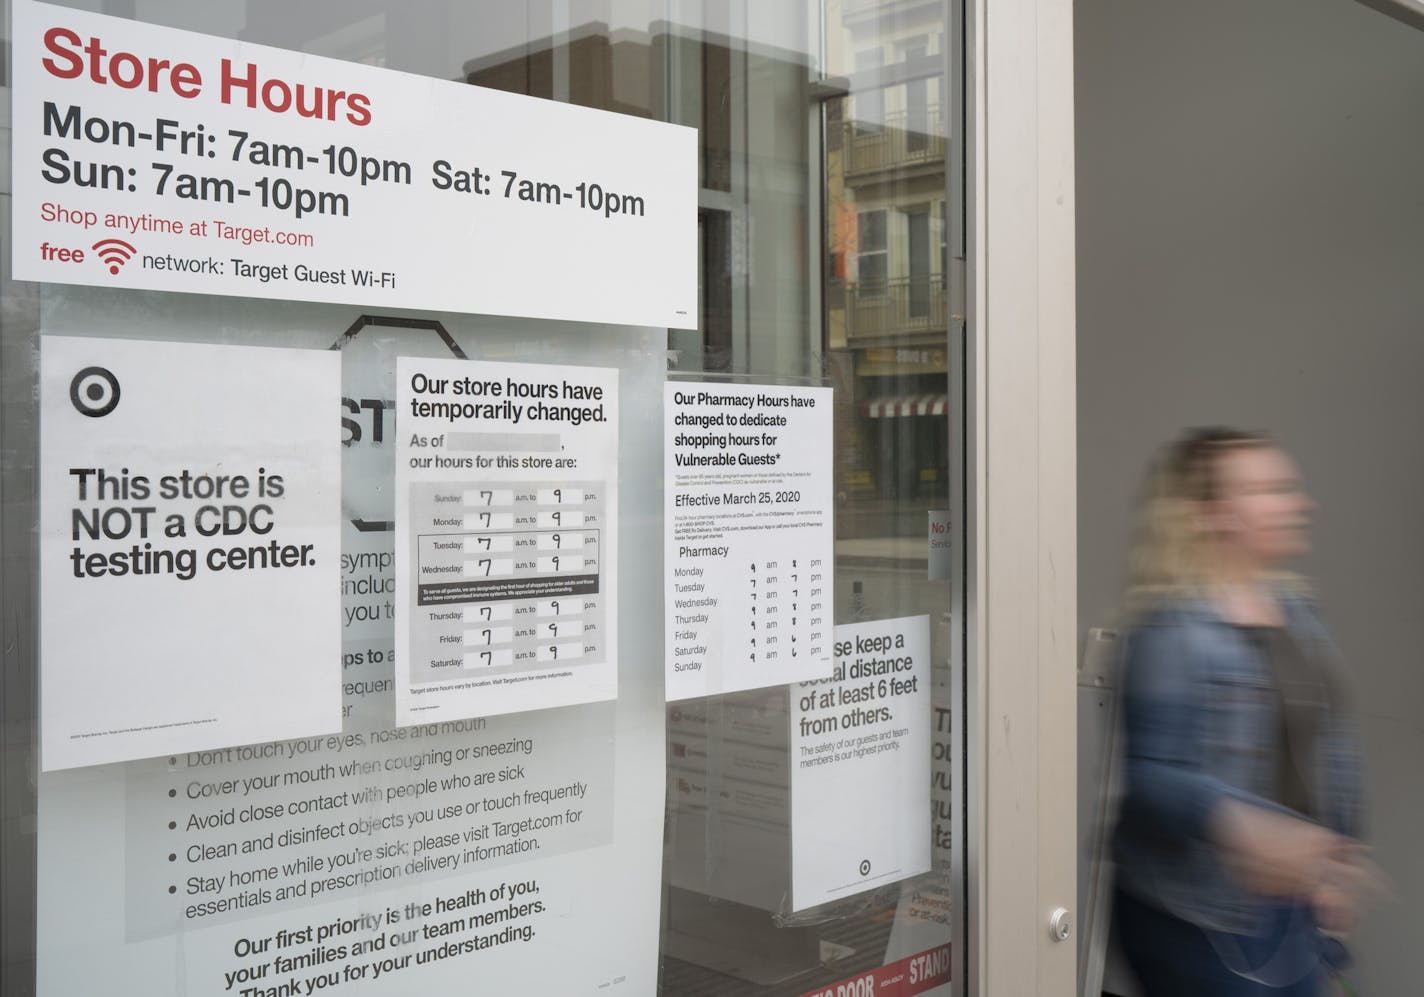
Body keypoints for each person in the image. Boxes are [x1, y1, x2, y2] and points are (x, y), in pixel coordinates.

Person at [1111, 428, 1379, 996]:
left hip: (1294, 902)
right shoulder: (1171, 626)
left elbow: (1329, 742)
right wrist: (1247, 828)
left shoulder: (1299, 610)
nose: (1298, 504)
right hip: (1198, 913)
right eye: (1271, 489)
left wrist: (1338, 856)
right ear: (1212, 514)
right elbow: (1150, 774)